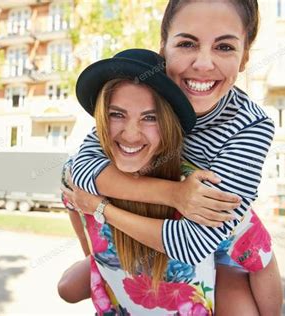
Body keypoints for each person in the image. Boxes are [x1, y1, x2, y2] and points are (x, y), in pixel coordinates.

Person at [60, 0, 283, 315]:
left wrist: (100, 208)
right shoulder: (148, 98)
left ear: (244, 56)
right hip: (159, 223)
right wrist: (174, 194)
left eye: (225, 47)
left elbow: (192, 245)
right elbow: (79, 171)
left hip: (221, 239)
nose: (203, 64)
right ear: (163, 48)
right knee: (70, 287)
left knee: (246, 301)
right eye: (187, 43)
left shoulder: (250, 125)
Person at [62, 48, 218, 314]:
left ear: (168, 123)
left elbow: (255, 262)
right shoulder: (75, 179)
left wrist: (102, 210)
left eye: (149, 117)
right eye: (116, 114)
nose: (130, 134)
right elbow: (89, 251)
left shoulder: (201, 187)